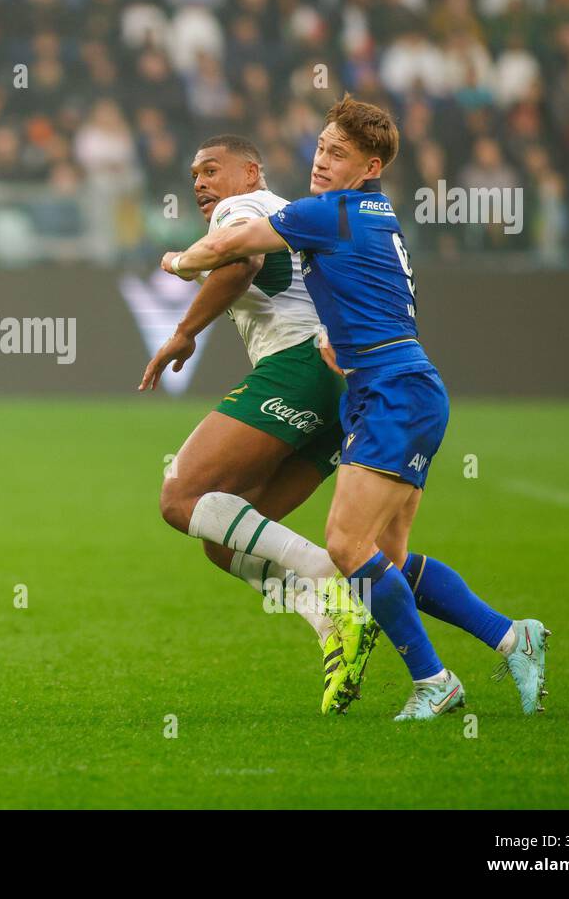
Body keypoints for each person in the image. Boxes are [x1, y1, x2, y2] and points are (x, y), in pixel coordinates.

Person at [160, 95, 549, 720]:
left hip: (390, 390)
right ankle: (512, 637)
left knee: (343, 543)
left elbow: (234, 249)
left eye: (337, 154)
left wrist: (179, 261)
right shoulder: (376, 215)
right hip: (394, 387)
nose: (320, 161)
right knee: (384, 561)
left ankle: (433, 680)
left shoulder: (331, 212)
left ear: (369, 166)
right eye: (319, 147)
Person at [142, 134, 377, 713]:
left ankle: (330, 581)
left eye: (212, 169)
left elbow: (241, 262)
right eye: (194, 174)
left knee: (181, 497)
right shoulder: (293, 216)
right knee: (224, 541)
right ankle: (332, 624)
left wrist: (184, 329)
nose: (200, 182)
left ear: (252, 173)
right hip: (341, 390)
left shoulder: (241, 209)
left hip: (297, 365)